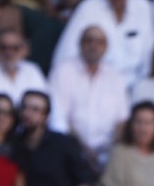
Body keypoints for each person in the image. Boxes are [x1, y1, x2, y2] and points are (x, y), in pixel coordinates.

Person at [51, 0, 154, 84]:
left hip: (135, 84)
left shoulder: (143, 7)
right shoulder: (89, 7)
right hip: (98, 83)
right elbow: (66, 54)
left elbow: (150, 55)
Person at [48, 25, 130, 167]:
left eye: (99, 42)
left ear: (106, 47)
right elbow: (59, 118)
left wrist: (109, 150)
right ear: (80, 44)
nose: (93, 46)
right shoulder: (63, 71)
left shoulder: (115, 77)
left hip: (108, 152)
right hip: (70, 147)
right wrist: (83, 149)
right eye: (89, 40)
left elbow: (122, 120)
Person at [0, 29, 50, 127]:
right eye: (3, 48)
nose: (9, 52)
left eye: (15, 48)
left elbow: (45, 105)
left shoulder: (32, 70)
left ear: (25, 50)